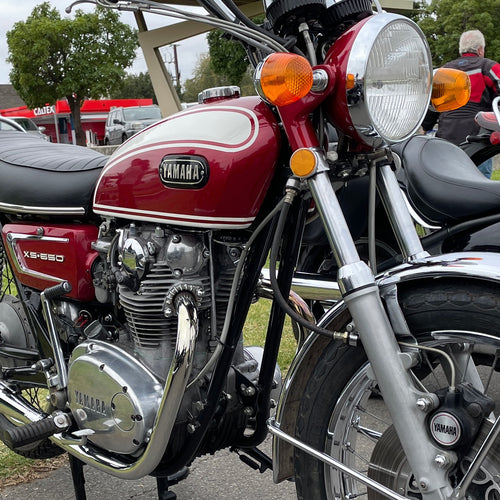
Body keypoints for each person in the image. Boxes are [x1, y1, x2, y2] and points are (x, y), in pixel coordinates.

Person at [422, 30, 500, 177]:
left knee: (448, 183)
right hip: (478, 142)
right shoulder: (488, 67)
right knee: (479, 185)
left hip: (446, 140)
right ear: (480, 50)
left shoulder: (444, 72)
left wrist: (425, 127)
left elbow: (432, 106)